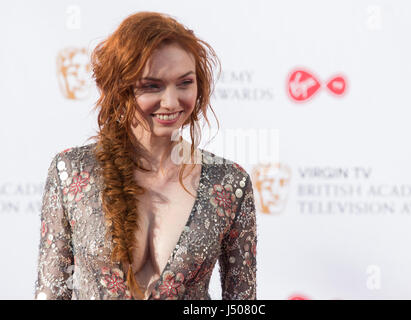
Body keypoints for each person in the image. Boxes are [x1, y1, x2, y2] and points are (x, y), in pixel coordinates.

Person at [34, 11, 257, 300]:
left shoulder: (229, 182)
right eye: (152, 85)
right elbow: (51, 293)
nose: (171, 101)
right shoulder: (72, 172)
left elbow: (242, 303)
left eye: (185, 83)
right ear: (120, 87)